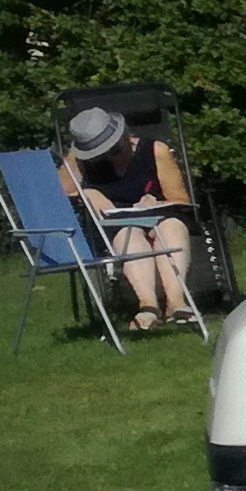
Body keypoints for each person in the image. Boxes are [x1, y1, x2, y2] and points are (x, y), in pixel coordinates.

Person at [59, 104, 196, 332]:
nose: (111, 156)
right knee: (128, 234)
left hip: (159, 214)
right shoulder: (81, 161)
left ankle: (176, 303)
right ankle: (148, 306)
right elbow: (60, 193)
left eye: (114, 148)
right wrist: (88, 193)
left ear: (124, 135)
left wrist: (156, 201)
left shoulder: (154, 151)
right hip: (117, 223)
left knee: (171, 225)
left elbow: (180, 199)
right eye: (101, 153)